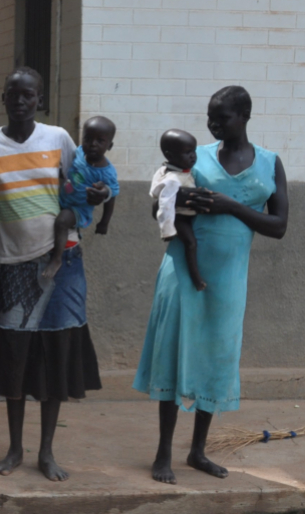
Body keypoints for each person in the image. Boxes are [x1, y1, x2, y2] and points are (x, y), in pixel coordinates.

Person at [134, 86, 288, 485]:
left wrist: (231, 206)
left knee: (216, 358)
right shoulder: (192, 155)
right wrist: (177, 197)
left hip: (229, 278)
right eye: (210, 118)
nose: (214, 125)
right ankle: (163, 452)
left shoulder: (270, 164)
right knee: (173, 353)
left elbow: (279, 226)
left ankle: (197, 450)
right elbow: (159, 207)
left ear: (245, 116)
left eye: (222, 118)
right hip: (183, 270)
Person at [0, 67, 105, 481]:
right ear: (3, 97)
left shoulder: (59, 139)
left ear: (40, 101)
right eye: (14, 93)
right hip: (13, 266)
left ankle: (46, 451)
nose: (21, 100)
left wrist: (100, 196)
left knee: (56, 355)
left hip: (64, 264)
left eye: (29, 95)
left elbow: (79, 188)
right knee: (14, 359)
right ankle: (14, 448)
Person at [43, 116, 119, 280]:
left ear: (109, 146)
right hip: (62, 199)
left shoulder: (107, 172)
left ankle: (56, 260)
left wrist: (104, 222)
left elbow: (111, 196)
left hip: (78, 209)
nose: (93, 144)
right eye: (88, 138)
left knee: (62, 221)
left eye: (100, 141)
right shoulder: (78, 153)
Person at [150, 129, 204, 290]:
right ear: (171, 156)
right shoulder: (172, 179)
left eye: (194, 151)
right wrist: (167, 230)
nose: (193, 156)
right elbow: (164, 205)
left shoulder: (177, 170)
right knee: (191, 243)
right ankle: (196, 279)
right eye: (187, 152)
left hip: (186, 214)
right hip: (179, 217)